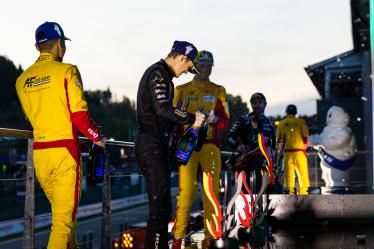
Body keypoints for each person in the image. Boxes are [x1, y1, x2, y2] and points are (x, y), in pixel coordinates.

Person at [15, 21, 106, 248]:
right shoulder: (68, 71)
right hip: (65, 155)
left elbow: (33, 118)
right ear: (58, 44)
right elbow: (79, 116)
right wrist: (97, 138)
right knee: (63, 223)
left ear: (38, 48)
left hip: (41, 156)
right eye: (63, 44)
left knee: (66, 219)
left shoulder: (21, 81)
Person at [135, 40, 205, 249]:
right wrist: (191, 117)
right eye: (187, 67)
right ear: (182, 58)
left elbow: (165, 115)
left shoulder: (166, 78)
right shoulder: (157, 73)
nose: (186, 72)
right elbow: (162, 109)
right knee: (159, 209)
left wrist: (182, 133)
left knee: (163, 208)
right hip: (150, 144)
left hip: (158, 145)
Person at [171, 50, 230, 249]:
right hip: (186, 147)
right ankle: (178, 237)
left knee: (211, 193)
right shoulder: (181, 89)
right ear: (195, 65)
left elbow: (226, 121)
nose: (206, 69)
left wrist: (215, 120)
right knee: (185, 193)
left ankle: (212, 238)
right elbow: (170, 118)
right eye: (202, 65)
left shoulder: (218, 90)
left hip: (210, 147)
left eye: (209, 65)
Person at [227, 92, 276, 193]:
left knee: (266, 193)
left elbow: (274, 145)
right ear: (251, 104)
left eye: (259, 102)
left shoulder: (270, 122)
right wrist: (238, 145)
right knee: (245, 194)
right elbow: (230, 136)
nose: (257, 105)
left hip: (264, 164)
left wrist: (274, 158)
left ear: (265, 104)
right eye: (254, 103)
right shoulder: (243, 120)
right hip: (246, 163)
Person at [276, 104, 310, 194]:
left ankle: (289, 198)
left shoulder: (281, 124)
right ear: (295, 112)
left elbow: (278, 140)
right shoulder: (301, 122)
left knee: (289, 178)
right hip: (300, 153)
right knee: (303, 176)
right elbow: (306, 138)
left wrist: (280, 152)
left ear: (286, 112)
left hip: (287, 154)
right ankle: (304, 197)